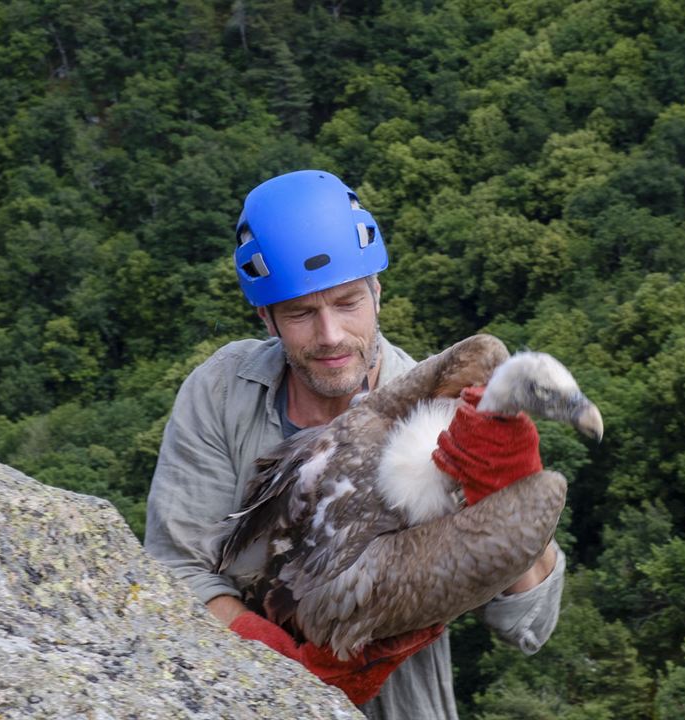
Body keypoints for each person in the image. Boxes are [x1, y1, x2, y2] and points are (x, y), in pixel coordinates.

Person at [145, 169, 567, 719]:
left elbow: (527, 624)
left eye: (347, 303)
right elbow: (172, 570)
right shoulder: (223, 391)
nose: (330, 336)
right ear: (265, 316)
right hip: (239, 694)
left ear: (377, 291)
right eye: (300, 312)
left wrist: (506, 487)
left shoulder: (445, 409)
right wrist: (282, 671)